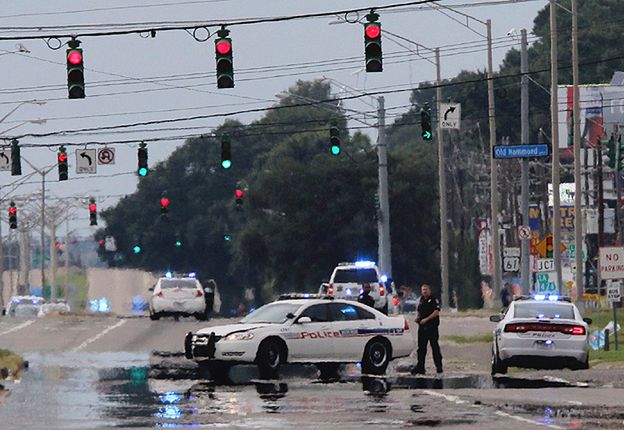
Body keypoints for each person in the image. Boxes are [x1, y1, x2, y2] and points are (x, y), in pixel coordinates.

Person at [412, 284, 443, 375]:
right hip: (422, 327)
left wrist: (426, 319)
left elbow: (436, 312)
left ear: (429, 290)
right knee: (421, 348)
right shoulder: (421, 300)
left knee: (434, 347)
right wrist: (418, 317)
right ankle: (420, 367)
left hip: (431, 327)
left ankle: (439, 367)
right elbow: (419, 310)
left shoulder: (433, 300)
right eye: (423, 290)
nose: (424, 291)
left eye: (426, 290)